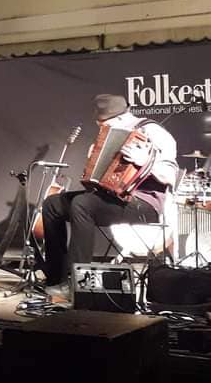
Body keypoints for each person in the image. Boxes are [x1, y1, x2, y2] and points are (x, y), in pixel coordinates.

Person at [40, 94, 178, 299]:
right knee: (52, 204)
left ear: (120, 118)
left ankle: (78, 283)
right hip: (113, 198)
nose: (102, 129)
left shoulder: (154, 132)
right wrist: (93, 161)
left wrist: (145, 162)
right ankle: (55, 278)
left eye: (104, 125)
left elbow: (170, 176)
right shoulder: (109, 134)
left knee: (82, 204)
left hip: (144, 203)